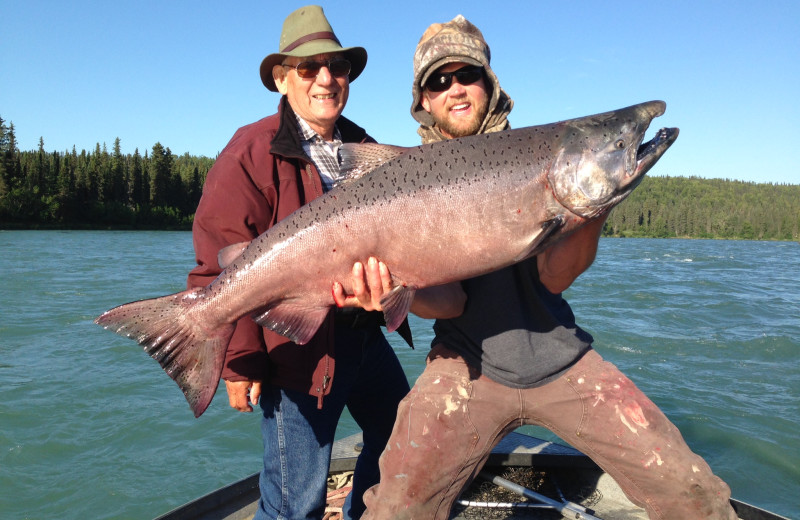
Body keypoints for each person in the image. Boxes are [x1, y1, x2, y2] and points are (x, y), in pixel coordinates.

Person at [334, 15, 738, 519]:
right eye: (439, 81)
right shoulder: (408, 180)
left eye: (468, 75)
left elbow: (556, 276)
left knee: (693, 493)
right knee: (396, 510)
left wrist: (594, 205)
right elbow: (452, 301)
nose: (455, 89)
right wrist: (394, 290)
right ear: (424, 101)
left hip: (560, 358)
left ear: (490, 84)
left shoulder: (540, 153)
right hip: (464, 367)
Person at [187, 6, 424, 519]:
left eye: (337, 68)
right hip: (295, 353)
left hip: (363, 333)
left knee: (400, 433)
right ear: (280, 79)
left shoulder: (366, 147)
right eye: (308, 68)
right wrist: (238, 360)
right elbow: (218, 258)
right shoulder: (248, 152)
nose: (326, 79)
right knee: (297, 501)